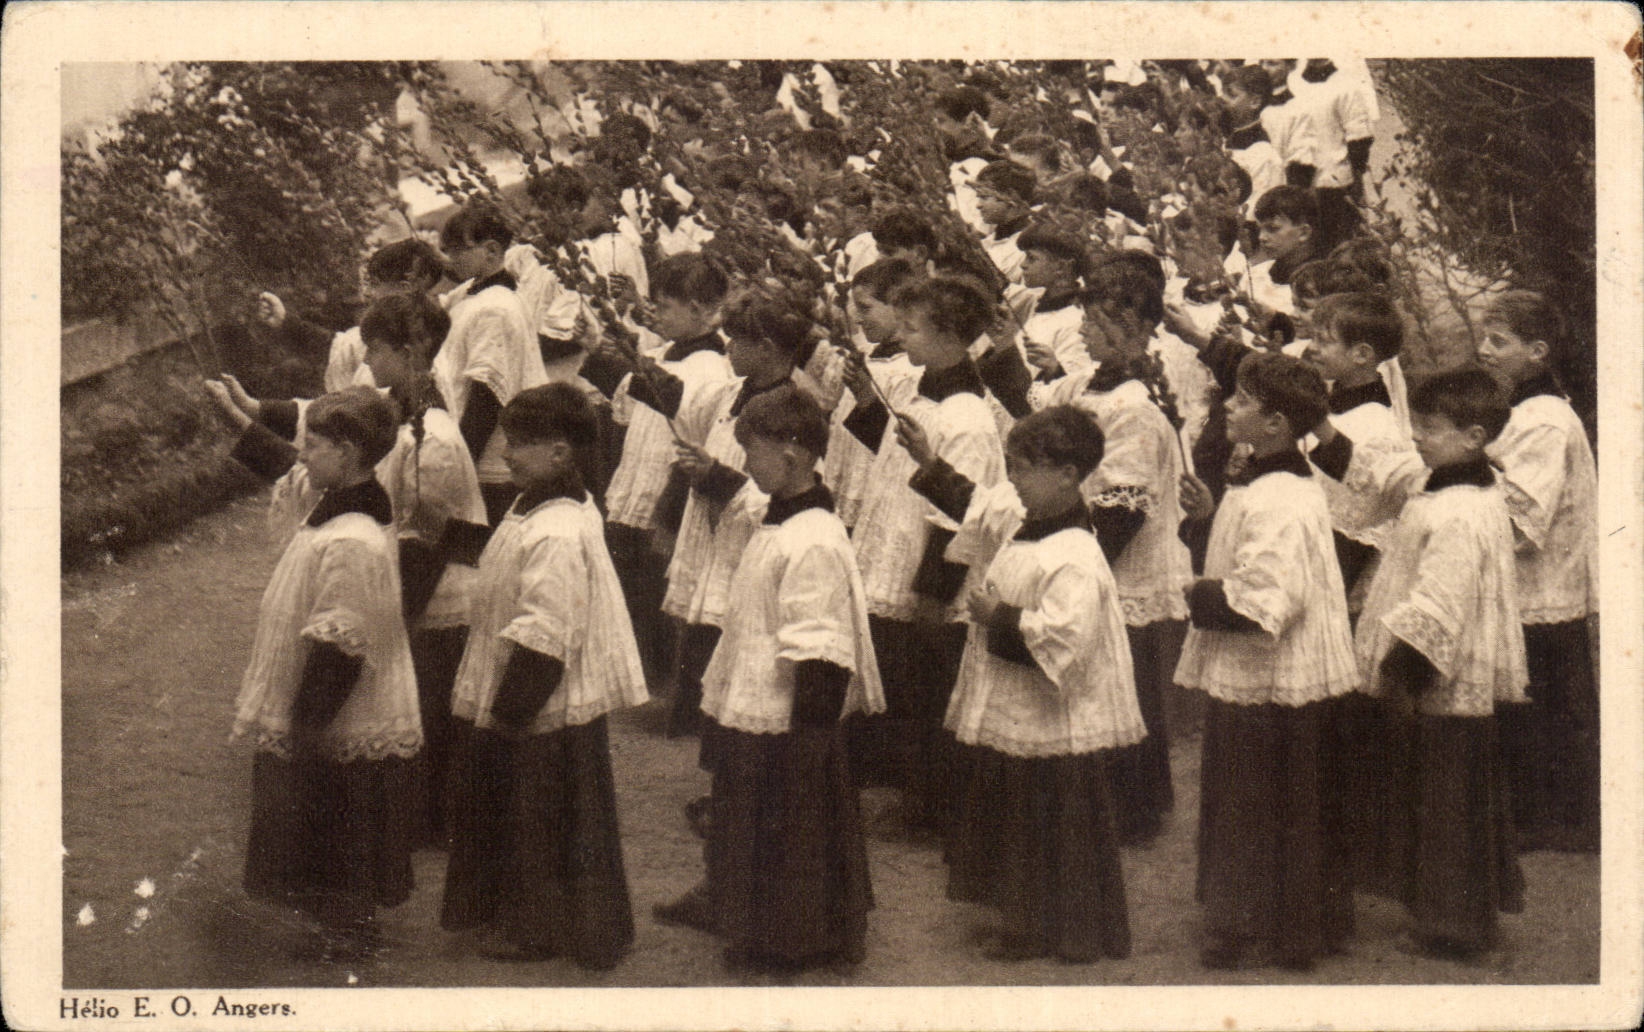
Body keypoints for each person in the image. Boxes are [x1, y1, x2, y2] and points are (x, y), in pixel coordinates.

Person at [654, 385, 883, 972]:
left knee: (790, 830)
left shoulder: (813, 541)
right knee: (750, 821)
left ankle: (791, 940)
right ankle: (750, 922)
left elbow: (821, 647)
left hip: (789, 720)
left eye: (752, 452)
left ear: (793, 453)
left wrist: (808, 740)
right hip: (756, 701)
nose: (746, 464)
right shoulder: (779, 520)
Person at [902, 405, 1143, 961]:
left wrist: (1000, 618)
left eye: (1025, 469)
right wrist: (929, 463)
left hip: (1055, 715)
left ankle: (1054, 927)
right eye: (1012, 466)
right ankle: (1025, 915)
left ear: (1067, 475)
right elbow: (984, 507)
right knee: (1021, 813)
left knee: (1048, 820)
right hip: (1023, 711)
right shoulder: (1029, 526)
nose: (1014, 481)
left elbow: (1065, 639)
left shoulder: (1076, 553)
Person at [439, 383, 648, 969]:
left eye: (522, 444)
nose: (506, 452)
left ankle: (540, 928)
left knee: (540, 821)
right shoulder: (537, 502)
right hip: (533, 691)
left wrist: (509, 713)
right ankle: (526, 916)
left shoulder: (558, 529)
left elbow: (547, 632)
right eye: (507, 439)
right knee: (529, 816)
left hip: (543, 699)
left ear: (561, 453)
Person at [1174, 351, 1358, 971]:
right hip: (1272, 678)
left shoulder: (1278, 495)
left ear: (1276, 423)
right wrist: (1206, 520)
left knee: (1257, 801)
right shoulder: (1266, 478)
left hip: (1273, 677)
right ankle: (1289, 922)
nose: (1227, 405)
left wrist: (1194, 595)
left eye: (1243, 401)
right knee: (1278, 801)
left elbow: (1268, 598)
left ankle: (1260, 925)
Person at [226, 386, 420, 961]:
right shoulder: (343, 508)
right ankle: (335, 922)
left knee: (339, 812)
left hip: (339, 709)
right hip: (325, 703)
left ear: (350, 452)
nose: (303, 455)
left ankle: (349, 929)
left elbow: (342, 644)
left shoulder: (354, 538)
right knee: (329, 816)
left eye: (313, 446)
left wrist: (307, 725)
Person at [1352, 367, 1527, 959]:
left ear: (1474, 437)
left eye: (1430, 427)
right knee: (1442, 800)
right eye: (1416, 422)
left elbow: (1441, 603)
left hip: (1442, 679)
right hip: (1446, 678)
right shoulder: (1455, 487)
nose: (1417, 436)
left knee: (1449, 804)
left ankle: (1458, 926)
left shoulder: (1458, 510)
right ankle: (1445, 916)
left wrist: (1402, 676)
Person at [843, 276, 1006, 830]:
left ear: (953, 337)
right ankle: (900, 791)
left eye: (913, 328)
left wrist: (932, 592)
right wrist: (868, 406)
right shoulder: (919, 389)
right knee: (899, 685)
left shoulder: (968, 417)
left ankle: (931, 808)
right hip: (892, 544)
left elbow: (957, 516)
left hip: (927, 566)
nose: (903, 337)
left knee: (927, 691)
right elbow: (893, 460)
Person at [1477, 290, 1599, 853]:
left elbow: (1524, 519)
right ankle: (1547, 813)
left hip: (1544, 583)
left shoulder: (1543, 419)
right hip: (1537, 584)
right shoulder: (1525, 412)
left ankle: (1561, 820)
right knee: (1538, 703)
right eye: (1484, 337)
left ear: (1537, 351)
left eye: (1498, 341)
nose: (1484, 349)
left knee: (1546, 702)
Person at [579, 254, 734, 688]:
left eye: (665, 307)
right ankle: (638, 672)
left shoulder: (710, 367)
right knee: (630, 582)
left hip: (665, 486)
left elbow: (676, 410)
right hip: (638, 476)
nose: (658, 316)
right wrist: (600, 351)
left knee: (654, 587)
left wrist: (614, 362)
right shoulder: (665, 352)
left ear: (700, 310)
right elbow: (632, 401)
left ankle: (661, 680)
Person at [664, 295, 814, 737]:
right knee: (704, 620)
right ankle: (698, 718)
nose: (727, 350)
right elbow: (684, 411)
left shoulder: (792, 405)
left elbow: (784, 486)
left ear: (766, 349)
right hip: (713, 526)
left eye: (736, 342)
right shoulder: (734, 391)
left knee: (732, 625)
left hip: (748, 533)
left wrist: (717, 476)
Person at [434, 200, 548, 524]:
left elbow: (487, 397)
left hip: (491, 463)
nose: (451, 259)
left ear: (492, 250)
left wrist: (460, 470)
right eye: (447, 250)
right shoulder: (471, 293)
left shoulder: (495, 307)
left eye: (458, 250)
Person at [1304, 291, 1421, 604]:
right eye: (1312, 338)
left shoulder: (1377, 428)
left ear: (1361, 354)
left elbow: (1357, 533)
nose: (1311, 349)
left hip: (1327, 588)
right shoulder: (1331, 406)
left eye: (1323, 341)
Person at [257, 238, 448, 394]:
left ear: (404, 289)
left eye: (376, 283)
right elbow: (338, 346)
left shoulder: (425, 346)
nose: (369, 293)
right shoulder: (387, 330)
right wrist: (285, 321)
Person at [824, 258, 924, 531]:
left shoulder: (909, 370)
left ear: (900, 308)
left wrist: (866, 397)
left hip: (875, 493)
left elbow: (897, 447)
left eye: (866, 308)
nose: (857, 318)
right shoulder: (868, 357)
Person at [1012, 224, 1090, 380]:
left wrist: (1054, 370)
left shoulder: (1076, 320)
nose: (1023, 265)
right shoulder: (1039, 303)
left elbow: (1072, 384)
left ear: (1061, 267)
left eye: (1032, 258)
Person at [971, 160, 1038, 284]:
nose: (978, 205)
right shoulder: (986, 242)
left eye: (984, 197)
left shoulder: (1025, 250)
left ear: (1011, 198)